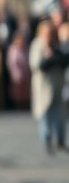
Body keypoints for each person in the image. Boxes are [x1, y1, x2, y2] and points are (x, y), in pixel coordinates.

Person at [29, 21, 66, 154]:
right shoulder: (37, 45)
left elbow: (64, 61)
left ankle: (61, 140)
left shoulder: (57, 45)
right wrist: (49, 59)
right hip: (43, 88)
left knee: (60, 115)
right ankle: (47, 140)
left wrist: (55, 56)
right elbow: (37, 65)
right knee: (45, 115)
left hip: (57, 86)